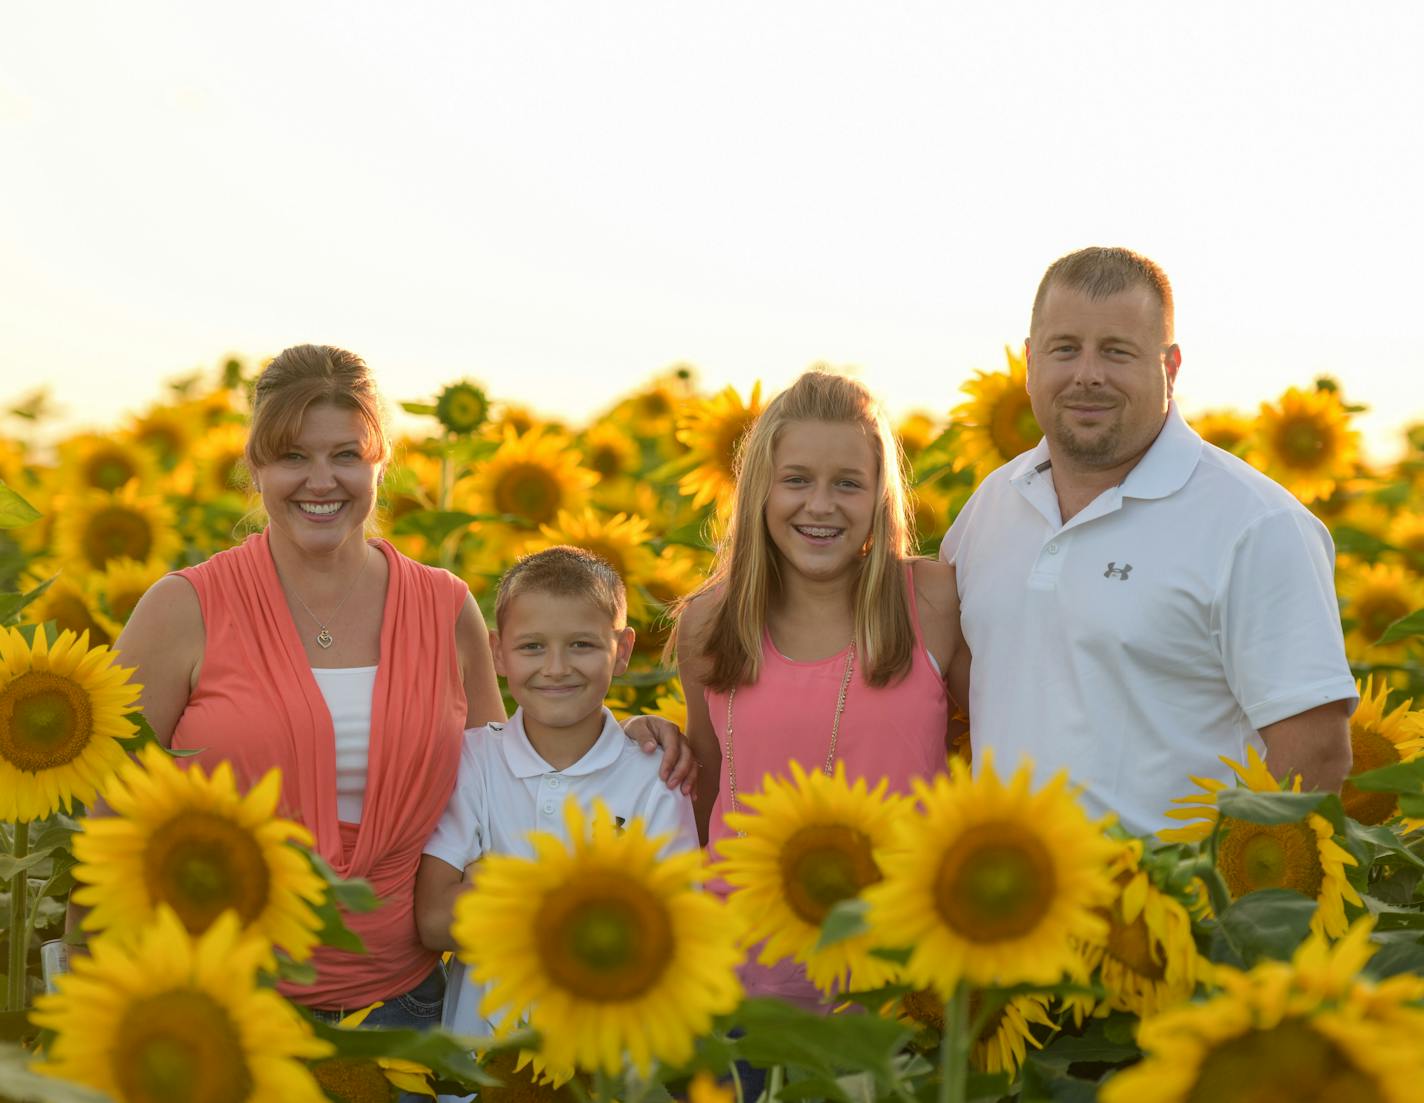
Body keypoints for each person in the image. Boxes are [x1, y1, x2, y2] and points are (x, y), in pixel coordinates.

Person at [109, 345, 693, 1026]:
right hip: (216, 1004)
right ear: (255, 466)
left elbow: (505, 769)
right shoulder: (181, 609)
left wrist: (626, 734)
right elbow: (110, 817)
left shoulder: (443, 607)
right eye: (293, 455)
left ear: (379, 461)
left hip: (404, 1009)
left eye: (346, 455)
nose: (320, 480)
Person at [940, 247, 1357, 836]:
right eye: (1065, 348)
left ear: (1171, 366)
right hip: (1015, 911)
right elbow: (968, 674)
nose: (1088, 373)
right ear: (1031, 362)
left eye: (1117, 351)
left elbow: (1314, 752)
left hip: (1173, 911)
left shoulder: (1256, 525)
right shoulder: (993, 504)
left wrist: (1236, 917)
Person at [673, 368, 961, 1009]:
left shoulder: (932, 602)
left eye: (849, 484)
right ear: (758, 492)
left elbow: (999, 740)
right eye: (796, 480)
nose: (821, 505)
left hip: (900, 980)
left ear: (881, 498)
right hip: (745, 985)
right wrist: (643, 734)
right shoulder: (710, 623)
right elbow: (706, 785)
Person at [414, 546, 698, 1044]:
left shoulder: (656, 775)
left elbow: (671, 932)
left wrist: (496, 882)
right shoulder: (472, 760)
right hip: (481, 1066)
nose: (557, 667)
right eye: (532, 647)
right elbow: (436, 920)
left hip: (611, 1059)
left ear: (624, 650)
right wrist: (598, 901)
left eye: (583, 645)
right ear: (498, 653)